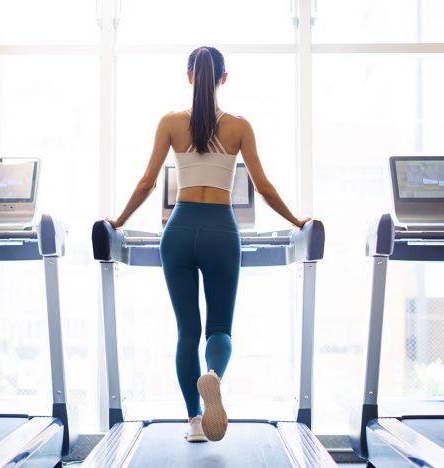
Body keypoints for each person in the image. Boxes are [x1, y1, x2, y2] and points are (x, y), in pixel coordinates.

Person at [107, 46, 310, 443]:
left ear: (188, 78)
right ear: (223, 78)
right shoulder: (239, 127)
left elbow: (148, 183)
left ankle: (195, 423)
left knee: (187, 332)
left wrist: (117, 222)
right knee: (219, 328)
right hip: (221, 230)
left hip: (179, 229)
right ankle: (213, 375)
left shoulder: (169, 123)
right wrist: (298, 221)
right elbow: (264, 188)